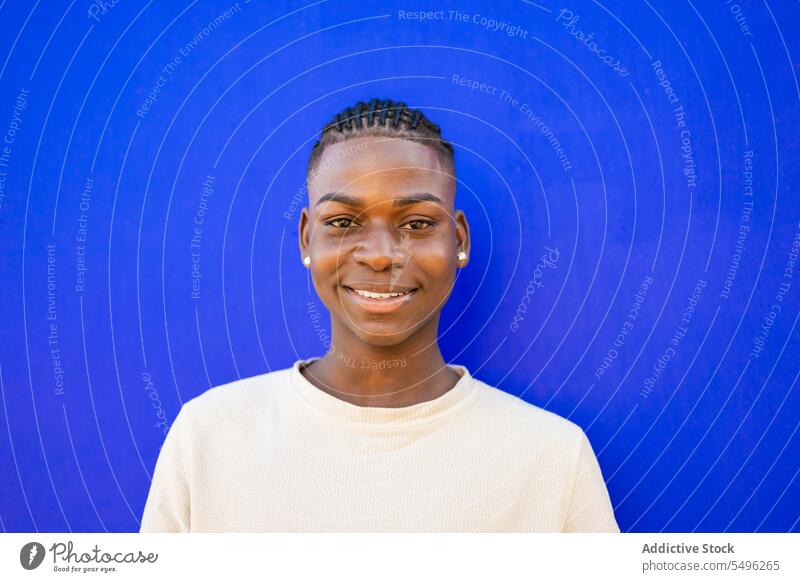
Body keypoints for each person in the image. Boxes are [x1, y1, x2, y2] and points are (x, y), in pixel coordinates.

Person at [140, 98, 619, 532]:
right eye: (343, 223)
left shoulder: (552, 458)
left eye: (416, 224)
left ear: (460, 241)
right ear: (308, 239)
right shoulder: (208, 439)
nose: (379, 255)